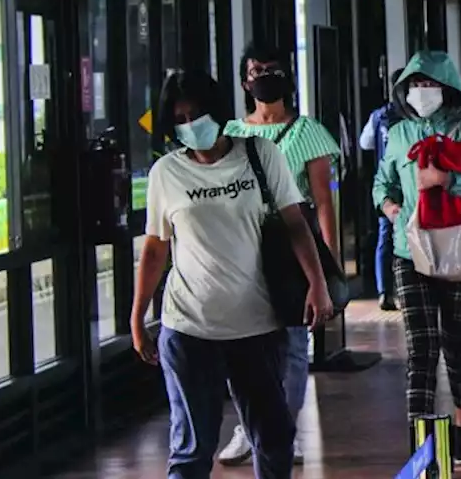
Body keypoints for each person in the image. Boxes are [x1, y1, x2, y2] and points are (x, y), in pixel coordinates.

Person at [132, 69, 333, 479]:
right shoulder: (166, 174)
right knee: (191, 449)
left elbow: (295, 223)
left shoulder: (259, 155)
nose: (190, 124)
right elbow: (155, 248)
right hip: (189, 328)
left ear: (218, 111)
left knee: (273, 439)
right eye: (180, 117)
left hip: (256, 326)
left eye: (197, 113)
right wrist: (137, 317)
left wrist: (318, 283)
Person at [214, 45, 344, 466]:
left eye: (273, 70)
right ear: (244, 81)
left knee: (290, 343)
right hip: (242, 246)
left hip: (292, 246)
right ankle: (251, 427)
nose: (264, 77)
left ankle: (282, 429)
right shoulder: (231, 131)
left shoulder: (308, 132)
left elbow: (322, 200)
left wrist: (326, 264)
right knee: (245, 344)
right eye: (256, 70)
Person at [373, 50, 461, 466]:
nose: (420, 92)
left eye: (429, 84)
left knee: (457, 345)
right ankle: (422, 443)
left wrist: (448, 180)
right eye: (414, 84)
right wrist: (390, 208)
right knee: (422, 347)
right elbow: (382, 182)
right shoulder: (397, 134)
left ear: (447, 88)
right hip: (409, 251)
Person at [358, 68, 404, 311]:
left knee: (384, 239)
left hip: (385, 188)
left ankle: (384, 291)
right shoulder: (414, 119)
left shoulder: (378, 117)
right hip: (409, 187)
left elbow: (365, 144)